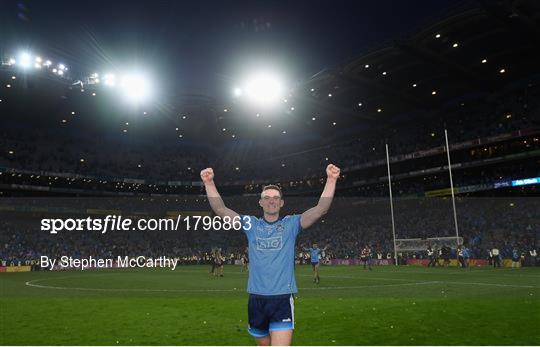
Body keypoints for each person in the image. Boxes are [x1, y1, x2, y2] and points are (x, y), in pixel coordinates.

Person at [201, 164, 340, 346]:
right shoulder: (251, 224)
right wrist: (209, 182)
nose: (271, 200)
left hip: (281, 299)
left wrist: (331, 180)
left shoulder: (292, 224)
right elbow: (221, 210)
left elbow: (320, 209)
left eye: (276, 198)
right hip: (256, 300)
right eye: (267, 198)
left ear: (282, 202)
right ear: (261, 202)